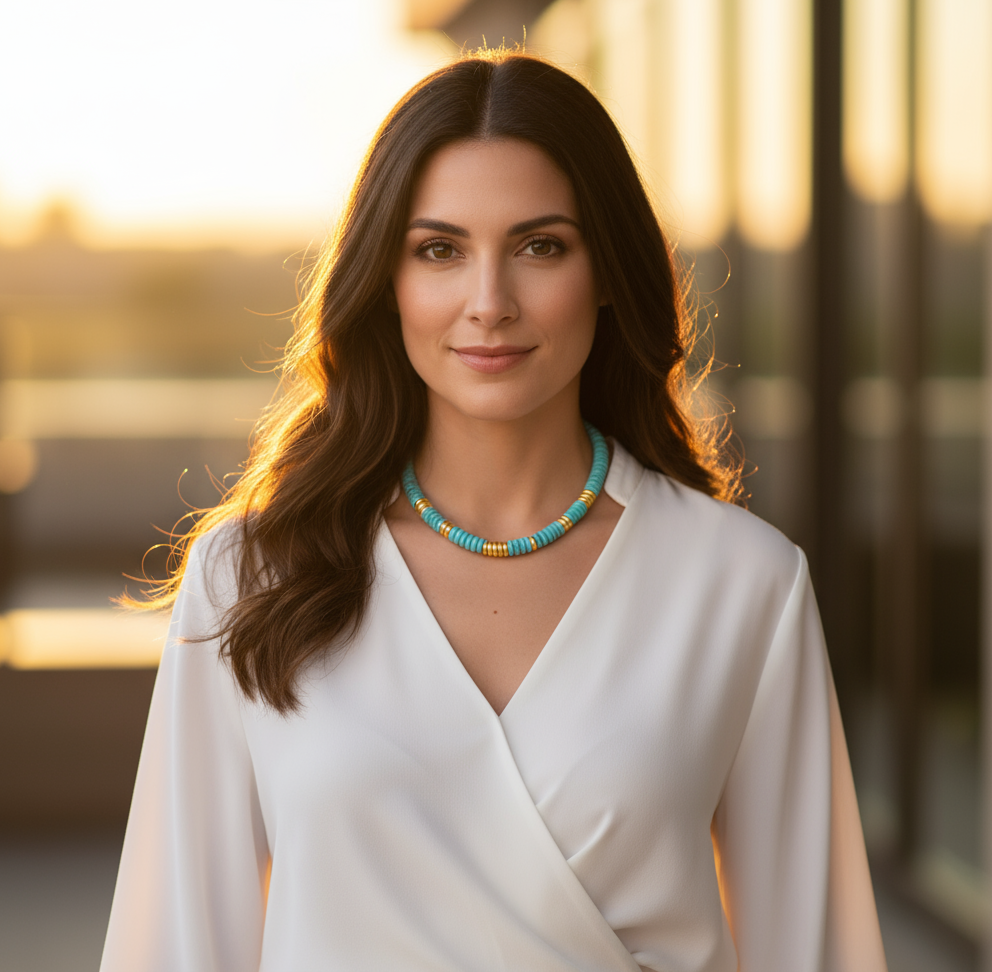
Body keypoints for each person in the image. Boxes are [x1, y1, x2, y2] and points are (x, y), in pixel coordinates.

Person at [100, 51, 887, 972]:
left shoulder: (742, 583)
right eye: (439, 250)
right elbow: (173, 946)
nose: (489, 303)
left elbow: (815, 951)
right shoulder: (250, 575)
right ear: (385, 281)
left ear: (606, 271)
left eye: (539, 246)